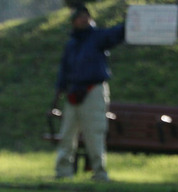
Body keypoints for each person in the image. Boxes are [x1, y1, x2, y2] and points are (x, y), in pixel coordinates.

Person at [51, 5, 126, 181]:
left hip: (93, 90)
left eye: (86, 16)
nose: (84, 19)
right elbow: (64, 71)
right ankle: (63, 171)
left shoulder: (98, 37)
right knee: (67, 134)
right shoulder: (71, 44)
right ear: (74, 21)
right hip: (73, 92)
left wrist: (129, 21)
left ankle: (99, 172)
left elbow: (116, 34)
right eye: (80, 17)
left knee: (95, 133)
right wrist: (58, 95)